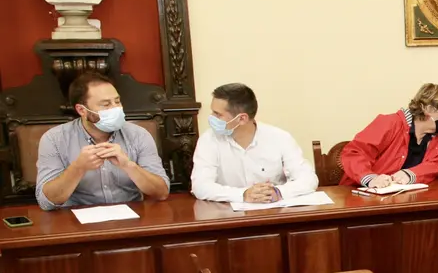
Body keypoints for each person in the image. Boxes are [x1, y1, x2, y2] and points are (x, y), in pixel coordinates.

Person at [35, 71, 170, 211]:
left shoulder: (139, 135)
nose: (116, 109)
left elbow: (162, 193)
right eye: (105, 104)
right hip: (76, 221)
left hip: (131, 219)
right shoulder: (54, 139)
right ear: (82, 110)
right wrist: (78, 168)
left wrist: (129, 166)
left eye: (117, 101)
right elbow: (46, 202)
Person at [190, 83, 318, 203]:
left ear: (242, 118)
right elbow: (200, 186)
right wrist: (243, 195)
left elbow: (308, 179)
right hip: (228, 217)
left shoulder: (279, 138)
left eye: (218, 114)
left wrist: (278, 192)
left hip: (274, 213)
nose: (211, 117)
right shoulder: (209, 140)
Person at [341, 83, 438, 188]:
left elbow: (436, 165)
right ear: (428, 109)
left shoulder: (435, 138)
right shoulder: (390, 123)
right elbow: (354, 153)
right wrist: (371, 179)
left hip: (400, 200)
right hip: (361, 196)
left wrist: (410, 174)